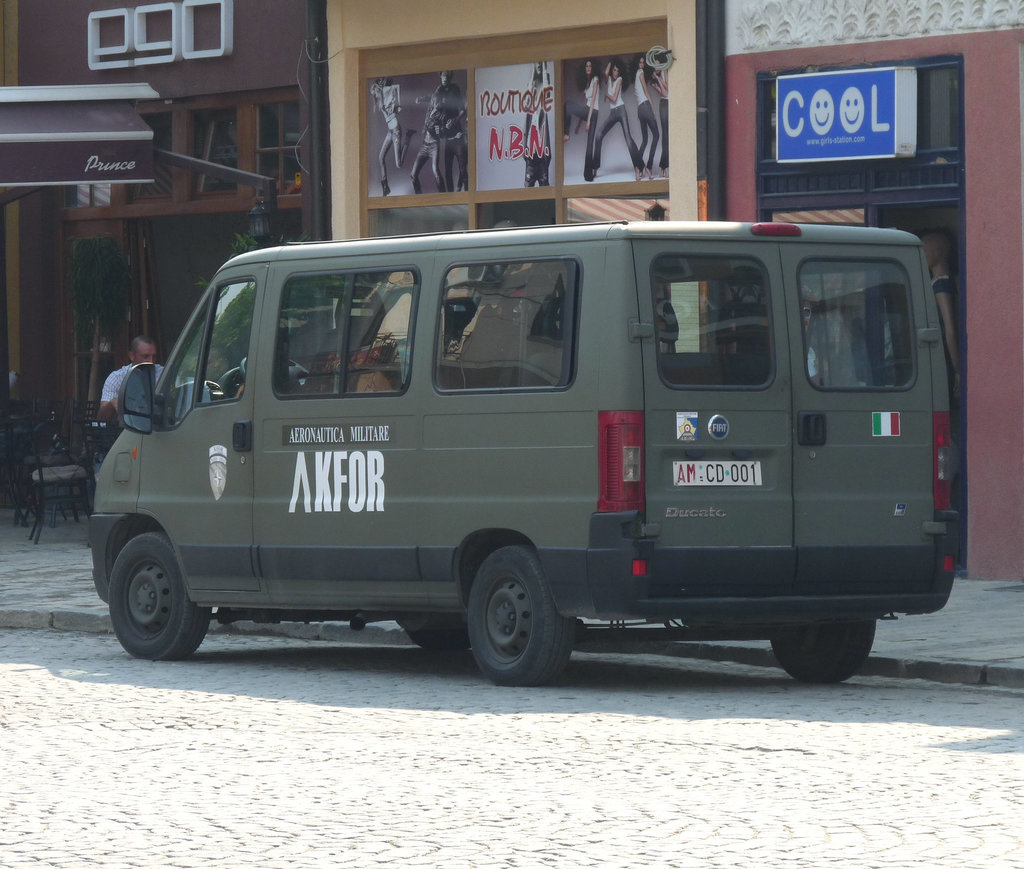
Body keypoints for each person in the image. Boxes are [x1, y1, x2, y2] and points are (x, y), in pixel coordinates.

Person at [921, 230, 960, 406]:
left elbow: (950, 329)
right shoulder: (943, 281)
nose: (923, 255)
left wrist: (958, 368)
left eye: (925, 251)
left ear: (938, 252)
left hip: (943, 353)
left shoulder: (941, 284)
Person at [591, 58, 644, 181]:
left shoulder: (619, 80)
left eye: (617, 71)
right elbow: (605, 73)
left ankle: (638, 167)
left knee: (628, 139)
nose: (615, 72)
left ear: (619, 73)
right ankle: (595, 168)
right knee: (599, 135)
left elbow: (614, 99)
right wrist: (611, 60)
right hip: (612, 113)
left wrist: (605, 95)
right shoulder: (608, 79)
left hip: (621, 111)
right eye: (614, 70)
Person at [100, 335, 163, 418]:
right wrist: (112, 403)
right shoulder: (117, 378)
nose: (151, 361)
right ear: (132, 356)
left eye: (154, 357)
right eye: (145, 357)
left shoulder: (163, 373)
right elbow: (101, 419)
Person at [563, 59, 601, 182]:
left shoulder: (595, 79)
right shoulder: (587, 83)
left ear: (593, 68)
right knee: (568, 105)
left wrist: (588, 121)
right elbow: (584, 105)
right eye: (586, 66)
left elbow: (593, 100)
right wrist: (580, 123)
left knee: (590, 145)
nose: (588, 68)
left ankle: (588, 176)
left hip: (594, 113)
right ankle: (567, 134)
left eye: (590, 66)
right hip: (588, 111)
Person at [632, 54, 659, 180]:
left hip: (639, 110)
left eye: (643, 63)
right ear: (637, 64)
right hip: (646, 107)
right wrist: (653, 108)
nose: (642, 65)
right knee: (657, 135)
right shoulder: (641, 73)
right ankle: (648, 166)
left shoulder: (636, 75)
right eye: (640, 62)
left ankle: (638, 167)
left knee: (645, 140)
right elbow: (646, 91)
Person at [650, 65, 669, 177]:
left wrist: (658, 79)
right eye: (653, 68)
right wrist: (656, 83)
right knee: (665, 136)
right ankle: (664, 167)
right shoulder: (655, 80)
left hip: (669, 104)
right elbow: (664, 93)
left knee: (669, 137)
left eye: (657, 66)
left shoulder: (664, 71)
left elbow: (667, 89)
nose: (655, 69)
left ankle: (664, 166)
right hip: (663, 105)